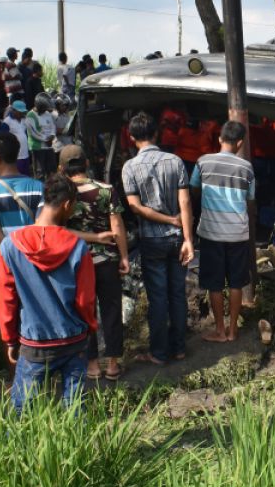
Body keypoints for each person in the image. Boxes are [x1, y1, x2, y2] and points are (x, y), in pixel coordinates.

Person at [0, 175, 98, 412]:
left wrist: (10, 339)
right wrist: (91, 328)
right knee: (75, 410)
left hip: (34, 342)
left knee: (22, 413)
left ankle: (19, 449)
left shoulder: (9, 246)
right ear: (66, 204)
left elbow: (6, 300)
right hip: (72, 339)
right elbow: (85, 300)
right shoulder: (78, 246)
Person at [121, 112, 193, 366]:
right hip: (177, 239)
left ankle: (159, 353)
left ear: (131, 138)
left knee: (158, 297)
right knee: (177, 294)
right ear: (156, 134)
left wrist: (165, 220)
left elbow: (135, 207)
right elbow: (185, 201)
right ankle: (180, 348)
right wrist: (187, 237)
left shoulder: (129, 167)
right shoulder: (175, 161)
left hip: (152, 240)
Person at [0, 132, 45, 366]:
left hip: (3, 268)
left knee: (6, 320)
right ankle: (38, 371)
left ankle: (15, 376)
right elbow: (42, 229)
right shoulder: (38, 188)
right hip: (36, 264)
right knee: (35, 315)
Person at [63, 145, 129, 382]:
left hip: (77, 262)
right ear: (87, 164)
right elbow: (117, 225)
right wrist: (123, 256)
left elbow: (59, 230)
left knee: (84, 311)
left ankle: (92, 364)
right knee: (111, 309)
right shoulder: (105, 189)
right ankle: (113, 364)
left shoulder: (63, 193)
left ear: (62, 169)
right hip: (107, 260)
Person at [191, 120, 256, 344]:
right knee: (237, 282)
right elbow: (250, 201)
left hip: (211, 232)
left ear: (219, 139)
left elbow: (194, 190)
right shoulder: (246, 167)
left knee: (215, 283)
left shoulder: (202, 162)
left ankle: (219, 330)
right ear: (240, 143)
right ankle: (233, 330)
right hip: (238, 233)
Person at [24, 94, 56, 179]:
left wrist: (52, 135)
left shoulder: (47, 114)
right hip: (38, 148)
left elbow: (53, 125)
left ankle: (50, 190)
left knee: (51, 171)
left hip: (49, 146)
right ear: (39, 106)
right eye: (44, 107)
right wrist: (46, 139)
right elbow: (34, 133)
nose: (46, 109)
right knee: (40, 172)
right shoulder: (30, 116)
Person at [4, 100, 32, 176]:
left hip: (25, 154)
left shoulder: (24, 120)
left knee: (26, 176)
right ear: (14, 111)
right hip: (15, 156)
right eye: (20, 112)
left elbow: (26, 133)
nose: (22, 113)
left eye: (23, 112)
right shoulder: (7, 121)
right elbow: (3, 138)